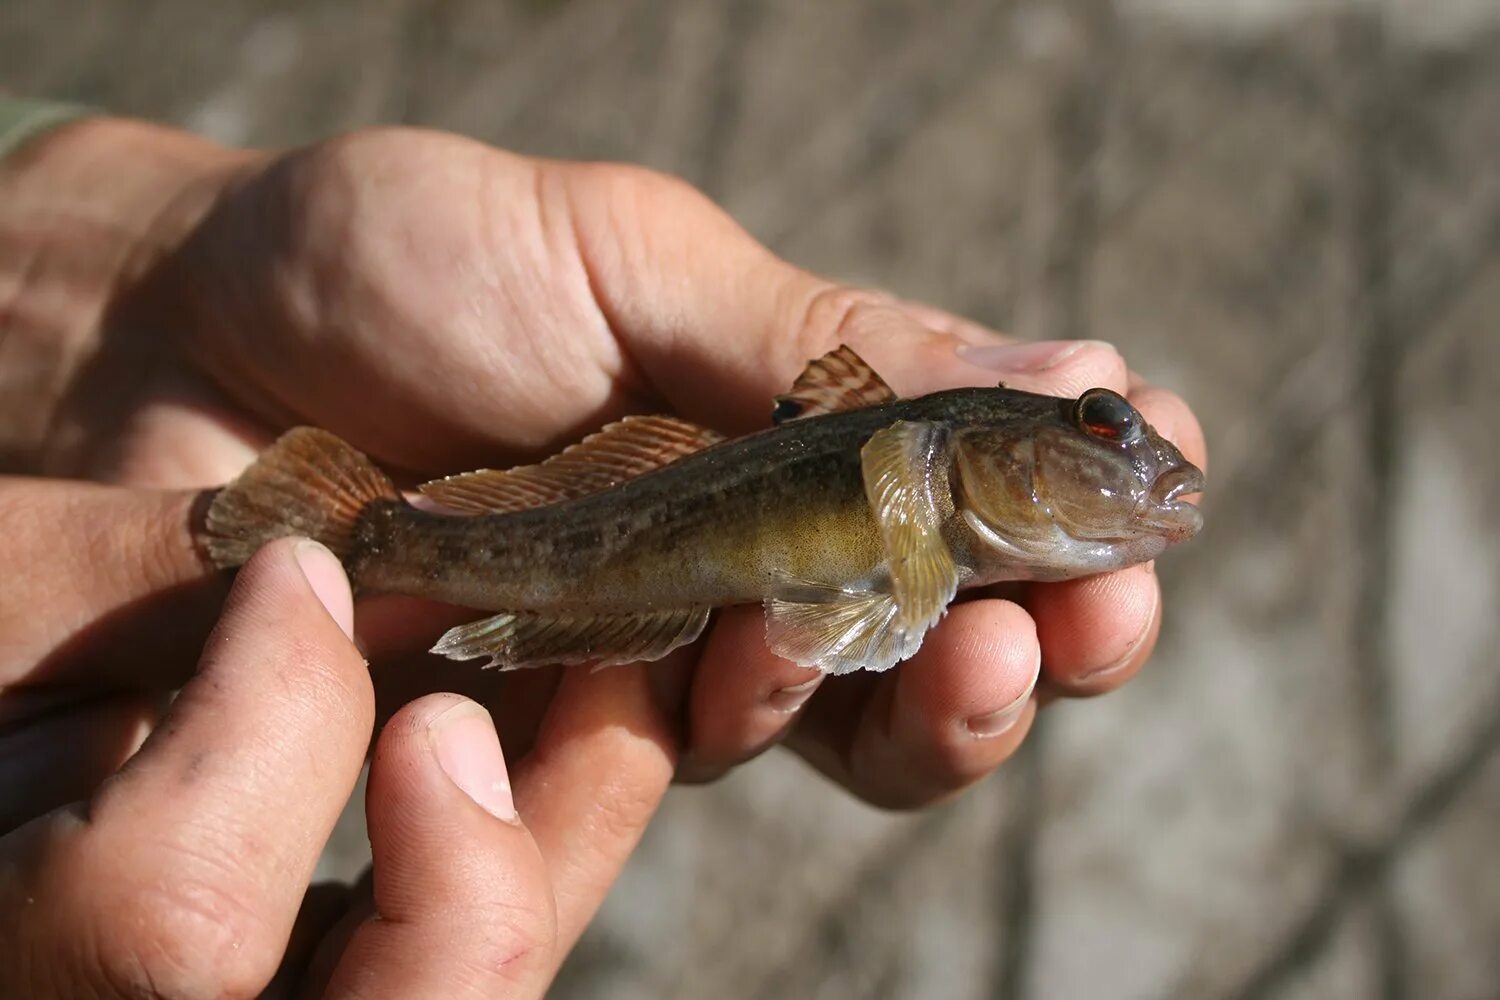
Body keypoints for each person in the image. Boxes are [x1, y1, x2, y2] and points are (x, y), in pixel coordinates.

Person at [0, 106, 1207, 997]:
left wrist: (132, 256)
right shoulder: (919, 447)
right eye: (1104, 432)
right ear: (985, 434)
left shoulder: (934, 477)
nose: (1142, 468)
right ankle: (368, 544)